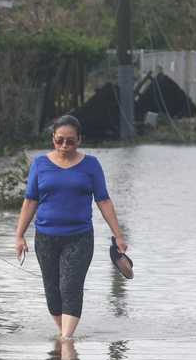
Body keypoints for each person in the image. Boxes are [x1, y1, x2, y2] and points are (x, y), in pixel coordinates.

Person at [14, 115, 127, 340]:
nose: (65, 145)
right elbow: (30, 201)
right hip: (45, 238)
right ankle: (64, 334)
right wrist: (19, 236)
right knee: (52, 292)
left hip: (79, 237)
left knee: (70, 286)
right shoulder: (40, 164)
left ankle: (66, 341)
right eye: (59, 140)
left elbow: (103, 200)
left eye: (71, 141)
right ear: (53, 139)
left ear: (79, 140)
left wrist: (118, 235)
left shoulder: (91, 165)